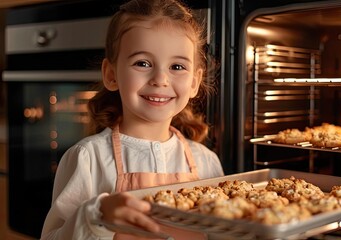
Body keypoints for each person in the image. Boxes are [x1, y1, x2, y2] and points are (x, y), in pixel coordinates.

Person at [40, 0, 224, 239]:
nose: (160, 79)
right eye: (143, 63)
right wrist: (96, 217)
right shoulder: (88, 158)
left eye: (177, 66)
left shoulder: (207, 163)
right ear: (111, 75)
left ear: (194, 83)